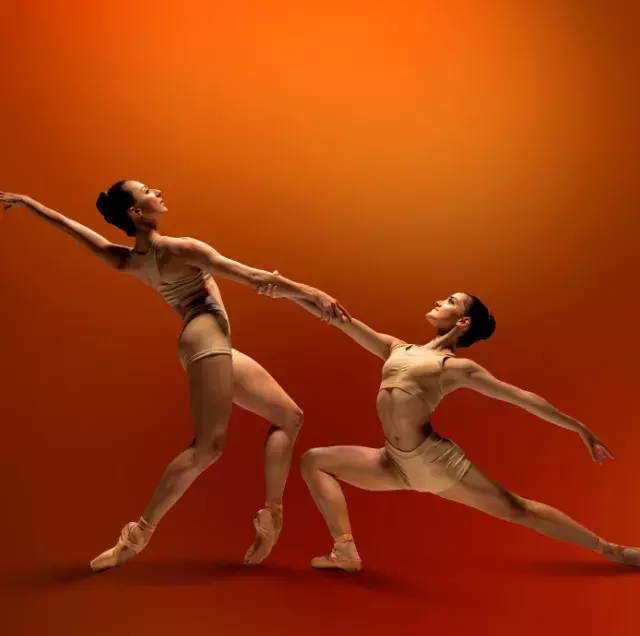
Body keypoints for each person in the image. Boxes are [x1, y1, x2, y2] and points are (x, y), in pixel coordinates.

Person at [0, 184, 350, 572]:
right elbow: (251, 278)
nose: (157, 190)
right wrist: (313, 294)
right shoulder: (181, 248)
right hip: (206, 339)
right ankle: (135, 537)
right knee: (208, 448)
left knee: (289, 417)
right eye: (146, 191)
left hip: (210, 342)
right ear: (135, 213)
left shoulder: (128, 259)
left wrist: (30, 203)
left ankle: (271, 516)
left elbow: (76, 231)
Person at [258, 278, 638, 571]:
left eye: (451, 302)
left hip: (434, 462)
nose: (440, 302)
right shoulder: (398, 349)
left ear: (463, 321)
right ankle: (345, 551)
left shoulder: (455, 368)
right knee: (314, 461)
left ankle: (611, 550)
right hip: (394, 464)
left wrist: (578, 428)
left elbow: (521, 397)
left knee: (516, 508)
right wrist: (291, 291)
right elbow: (339, 319)